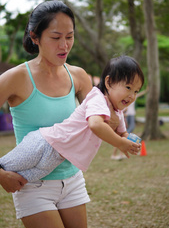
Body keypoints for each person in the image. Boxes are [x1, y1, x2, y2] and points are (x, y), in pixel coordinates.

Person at [0, 0, 94, 228]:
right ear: (35, 36)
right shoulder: (15, 78)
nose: (65, 45)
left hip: (72, 181)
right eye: (55, 37)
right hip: (32, 185)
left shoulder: (79, 77)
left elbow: (100, 120)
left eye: (70, 36)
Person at [0, 55, 144, 183]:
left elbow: (122, 133)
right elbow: (96, 125)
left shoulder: (118, 112)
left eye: (136, 91)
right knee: (5, 167)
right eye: (128, 87)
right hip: (44, 143)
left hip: (56, 158)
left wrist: (129, 141)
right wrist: (120, 143)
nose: (132, 95)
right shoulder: (97, 98)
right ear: (109, 82)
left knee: (21, 181)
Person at [111, 88, 148, 160]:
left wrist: (146, 91)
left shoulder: (133, 97)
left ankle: (120, 153)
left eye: (135, 92)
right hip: (127, 116)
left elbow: (140, 94)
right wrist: (124, 113)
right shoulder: (125, 99)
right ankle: (115, 154)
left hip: (131, 115)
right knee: (123, 135)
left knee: (126, 134)